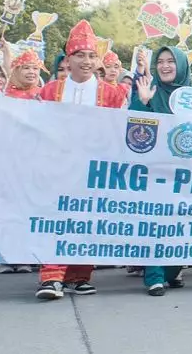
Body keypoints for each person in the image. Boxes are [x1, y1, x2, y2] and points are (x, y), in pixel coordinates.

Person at [35, 21, 128, 300]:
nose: (86, 62)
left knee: (86, 219)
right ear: (68, 59)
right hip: (56, 165)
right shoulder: (50, 90)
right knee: (55, 218)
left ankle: (78, 276)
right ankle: (51, 276)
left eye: (91, 56)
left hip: (93, 168)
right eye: (80, 55)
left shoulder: (113, 94)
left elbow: (120, 132)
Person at [127, 46, 192, 296]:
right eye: (160, 61)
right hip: (155, 171)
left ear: (182, 65)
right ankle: (154, 275)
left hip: (187, 173)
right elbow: (134, 133)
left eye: (171, 61)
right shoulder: (150, 92)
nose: (165, 66)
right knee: (156, 222)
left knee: (179, 226)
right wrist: (142, 102)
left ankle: (170, 271)